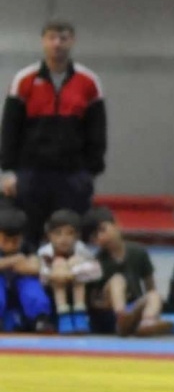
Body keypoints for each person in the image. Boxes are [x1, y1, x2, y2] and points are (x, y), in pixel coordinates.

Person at [1, 20, 106, 247]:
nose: (57, 43)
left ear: (72, 41)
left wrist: (91, 172)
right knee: (27, 236)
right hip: (31, 174)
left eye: (63, 38)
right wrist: (9, 171)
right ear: (43, 42)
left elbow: (97, 131)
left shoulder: (89, 82)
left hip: (73, 176)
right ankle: (27, 282)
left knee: (69, 239)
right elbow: (10, 129)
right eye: (52, 38)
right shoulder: (24, 80)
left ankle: (68, 281)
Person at [81, 206, 171, 337]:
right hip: (109, 314)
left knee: (154, 296)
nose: (101, 237)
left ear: (116, 225)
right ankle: (121, 317)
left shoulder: (138, 252)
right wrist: (106, 303)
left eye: (102, 230)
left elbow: (150, 286)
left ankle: (148, 322)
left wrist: (152, 305)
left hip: (134, 310)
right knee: (117, 280)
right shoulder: (96, 263)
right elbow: (92, 302)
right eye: (95, 236)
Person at [37, 208, 100, 333]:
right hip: (53, 294)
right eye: (58, 233)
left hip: (78, 292)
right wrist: (58, 272)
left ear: (77, 235)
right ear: (49, 235)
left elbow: (96, 271)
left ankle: (80, 315)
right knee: (59, 263)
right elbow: (42, 276)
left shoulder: (81, 249)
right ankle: (63, 317)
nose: (63, 238)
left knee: (76, 262)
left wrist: (72, 271)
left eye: (69, 233)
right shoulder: (45, 252)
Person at [0, 206, 50, 332]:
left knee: (29, 283)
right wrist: (12, 261)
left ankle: (40, 318)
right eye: (5, 240)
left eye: (15, 241)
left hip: (19, 298)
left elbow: (35, 267)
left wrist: (25, 266)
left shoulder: (27, 248)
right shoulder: (19, 256)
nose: (10, 245)